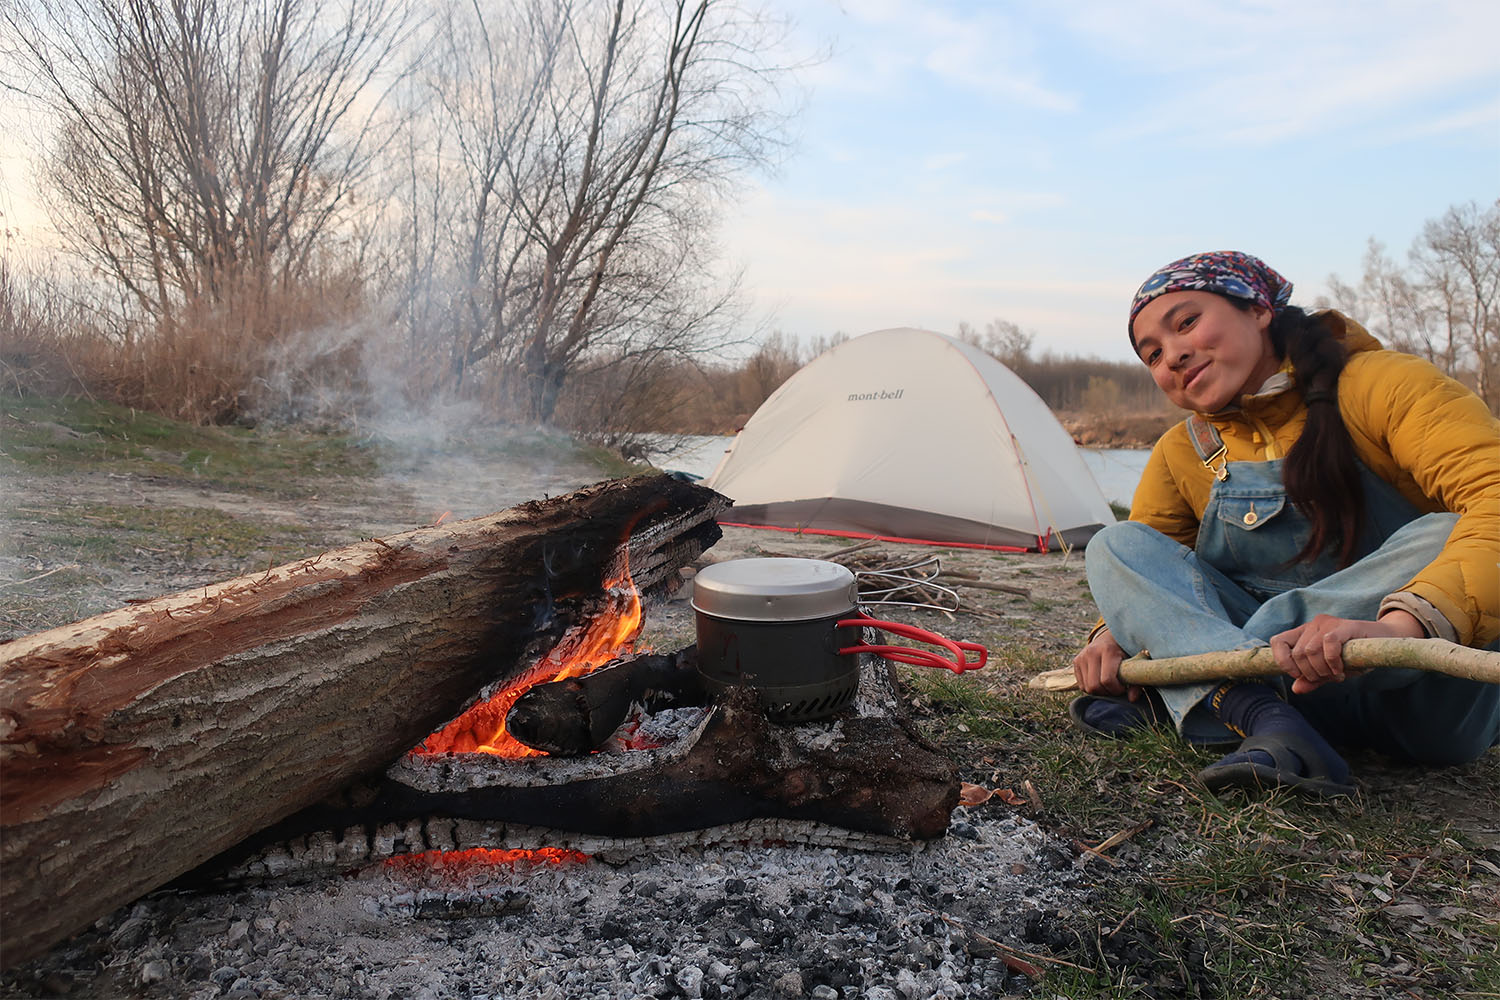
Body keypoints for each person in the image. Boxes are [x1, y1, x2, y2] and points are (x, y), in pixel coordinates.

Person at [1070, 250, 1500, 796]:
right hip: (1291, 693)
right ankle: (1267, 718)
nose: (1173, 355)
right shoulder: (1183, 451)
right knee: (1115, 545)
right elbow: (1150, 570)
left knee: (1444, 532)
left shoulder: (1384, 385)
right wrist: (1112, 634)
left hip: (1416, 690)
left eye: (1186, 323)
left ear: (1258, 309)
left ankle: (1196, 696)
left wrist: (1398, 627)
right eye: (1152, 354)